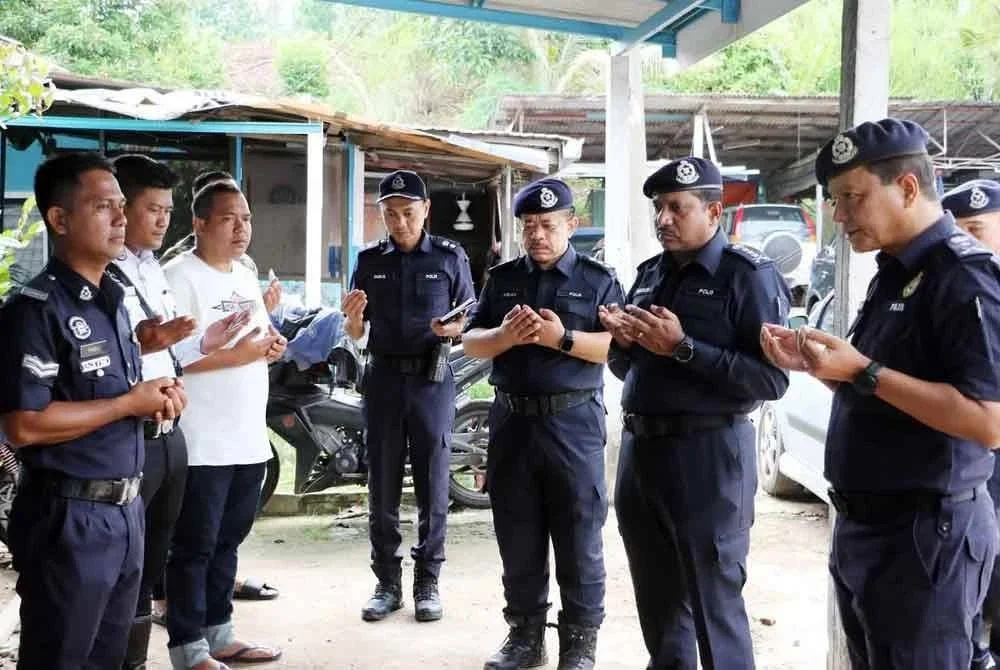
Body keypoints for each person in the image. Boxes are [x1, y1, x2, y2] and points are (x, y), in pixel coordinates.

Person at [761, 118, 1000, 670]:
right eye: (833, 199)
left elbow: (989, 421)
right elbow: (887, 390)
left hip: (926, 538)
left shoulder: (965, 277)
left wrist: (864, 371)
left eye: (851, 197)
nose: (838, 215)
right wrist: (824, 369)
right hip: (869, 529)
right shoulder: (893, 270)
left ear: (909, 188)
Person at [599, 157, 790, 670]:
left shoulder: (747, 277)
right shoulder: (649, 275)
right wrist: (624, 345)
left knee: (715, 607)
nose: (663, 219)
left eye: (676, 208)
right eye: (658, 208)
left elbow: (772, 380)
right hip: (641, 457)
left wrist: (683, 348)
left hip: (707, 456)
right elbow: (630, 370)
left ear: (713, 211)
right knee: (659, 607)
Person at [0, 152, 186, 668]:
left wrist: (156, 399)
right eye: (103, 207)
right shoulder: (35, 311)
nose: (121, 219)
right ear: (60, 220)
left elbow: (101, 393)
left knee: (111, 658)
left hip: (126, 512)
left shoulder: (115, 299)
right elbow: (23, 424)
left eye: (121, 206)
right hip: (69, 520)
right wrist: (129, 402)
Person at [463, 177, 625, 670]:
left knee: (579, 536)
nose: (537, 235)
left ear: (571, 225)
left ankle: (580, 644)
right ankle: (525, 638)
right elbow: (472, 342)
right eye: (529, 225)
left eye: (548, 225)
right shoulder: (503, 277)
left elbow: (617, 347)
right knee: (518, 534)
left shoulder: (598, 280)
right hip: (512, 422)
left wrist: (561, 338)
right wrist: (506, 337)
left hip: (572, 423)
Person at [110, 154, 249, 669]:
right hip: (129, 435)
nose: (161, 220)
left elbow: (171, 351)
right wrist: (153, 347)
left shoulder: (149, 269)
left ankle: (147, 658)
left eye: (166, 209)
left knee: (152, 562)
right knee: (126, 561)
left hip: (170, 432)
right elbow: (113, 358)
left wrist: (200, 342)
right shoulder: (105, 275)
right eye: (152, 209)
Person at [163, 178, 285, 669]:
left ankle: (220, 633)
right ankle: (187, 647)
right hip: (201, 440)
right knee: (193, 548)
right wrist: (242, 353)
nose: (241, 229)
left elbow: (254, 343)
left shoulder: (243, 275)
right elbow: (169, 358)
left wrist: (271, 347)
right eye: (229, 218)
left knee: (227, 543)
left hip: (247, 439)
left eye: (247, 219)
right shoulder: (178, 276)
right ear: (199, 223)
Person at [342, 169, 474, 623]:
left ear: (426, 211)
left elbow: (468, 320)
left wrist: (451, 329)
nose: (400, 223)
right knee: (381, 483)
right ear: (381, 214)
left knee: (434, 483)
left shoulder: (450, 256)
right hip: (382, 380)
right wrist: (353, 322)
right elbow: (358, 331)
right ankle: (387, 582)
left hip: (432, 380)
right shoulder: (368, 260)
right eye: (391, 215)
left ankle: (427, 581)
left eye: (408, 214)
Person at [942, 178, 1000, 670]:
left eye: (977, 229)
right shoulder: (951, 294)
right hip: (971, 473)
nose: (964, 239)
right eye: (956, 229)